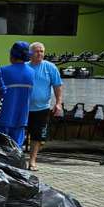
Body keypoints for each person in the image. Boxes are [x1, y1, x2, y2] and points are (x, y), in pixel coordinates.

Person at [26, 41, 63, 171]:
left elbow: (57, 86)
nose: (40, 53)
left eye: (42, 51)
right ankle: (18, 158)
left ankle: (32, 161)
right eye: (37, 51)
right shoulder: (25, 67)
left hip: (42, 108)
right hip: (24, 108)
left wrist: (58, 103)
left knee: (37, 136)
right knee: (21, 133)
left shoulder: (50, 67)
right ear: (30, 53)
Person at [0, 42, 34, 146]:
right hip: (21, 118)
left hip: (0, 116)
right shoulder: (31, 72)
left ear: (12, 54)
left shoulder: (3, 71)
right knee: (16, 149)